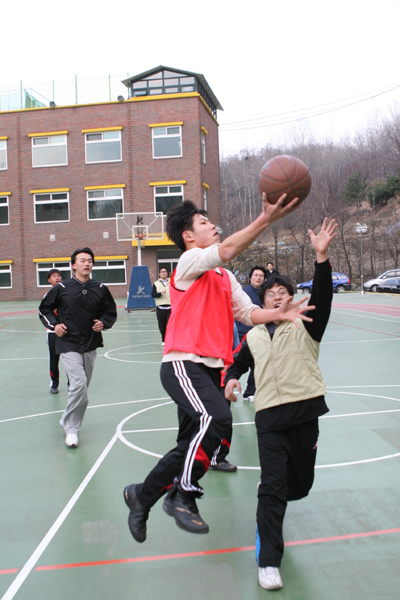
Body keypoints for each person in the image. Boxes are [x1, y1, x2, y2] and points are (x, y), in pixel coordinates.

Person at [123, 193, 314, 543]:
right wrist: (266, 219)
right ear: (188, 236)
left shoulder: (224, 277)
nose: (212, 226)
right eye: (203, 223)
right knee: (218, 419)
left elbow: (249, 313)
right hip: (183, 362)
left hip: (210, 368)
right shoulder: (190, 262)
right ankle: (183, 493)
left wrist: (278, 313)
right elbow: (225, 250)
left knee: (189, 446)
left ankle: (141, 495)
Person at [224, 218, 338, 591]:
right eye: (269, 292)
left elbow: (323, 294)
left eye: (281, 291)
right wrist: (232, 378)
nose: (275, 295)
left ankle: (271, 507)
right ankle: (268, 560)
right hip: (269, 417)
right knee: (271, 487)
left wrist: (321, 257)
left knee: (300, 484)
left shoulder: (307, 323)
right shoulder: (255, 335)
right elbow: (238, 362)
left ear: (290, 297)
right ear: (264, 300)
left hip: (305, 413)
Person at [39, 247, 117, 448]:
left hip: (90, 343)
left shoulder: (100, 288)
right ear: (74, 265)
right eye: (82, 260)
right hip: (67, 343)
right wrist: (54, 325)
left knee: (81, 388)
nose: (87, 263)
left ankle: (66, 417)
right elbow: (44, 309)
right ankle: (72, 429)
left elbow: (110, 312)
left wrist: (104, 323)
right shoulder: (62, 287)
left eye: (90, 260)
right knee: (79, 384)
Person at [235, 265, 267, 402]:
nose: (258, 278)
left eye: (261, 276)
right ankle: (225, 386)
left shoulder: (266, 293)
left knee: (257, 364)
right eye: (256, 275)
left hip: (259, 335)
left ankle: (250, 392)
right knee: (235, 363)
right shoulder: (243, 293)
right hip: (243, 334)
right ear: (250, 277)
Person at [45, 268, 63, 394]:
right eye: (54, 276)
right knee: (54, 359)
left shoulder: (67, 293)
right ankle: (54, 384)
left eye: (58, 276)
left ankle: (71, 383)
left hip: (67, 332)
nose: (57, 278)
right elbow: (46, 312)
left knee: (71, 359)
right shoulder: (48, 296)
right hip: (53, 333)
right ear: (49, 280)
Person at [151, 268, 171, 345]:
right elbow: (153, 295)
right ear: (159, 274)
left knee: (170, 325)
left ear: (167, 273)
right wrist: (160, 294)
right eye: (162, 272)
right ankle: (164, 340)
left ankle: (170, 340)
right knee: (162, 326)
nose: (163, 273)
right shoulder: (156, 283)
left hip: (170, 307)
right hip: (160, 307)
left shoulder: (172, 282)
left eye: (165, 271)